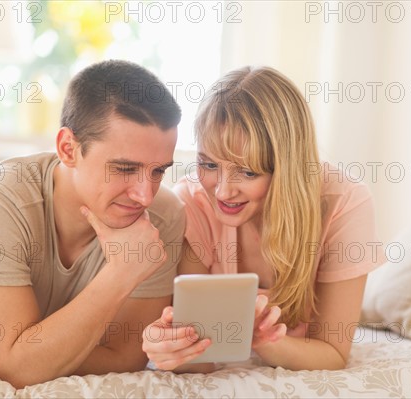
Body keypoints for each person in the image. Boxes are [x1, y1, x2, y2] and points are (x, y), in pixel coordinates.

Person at [0, 60, 185, 387]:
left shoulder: (162, 216)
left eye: (158, 171)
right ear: (68, 148)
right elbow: (18, 370)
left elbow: (125, 357)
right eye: (124, 169)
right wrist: (121, 272)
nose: (145, 195)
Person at [142, 66, 385, 371]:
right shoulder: (192, 202)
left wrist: (262, 340)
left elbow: (333, 353)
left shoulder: (344, 202)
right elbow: (198, 358)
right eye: (209, 164)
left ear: (287, 169)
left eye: (247, 171)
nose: (223, 191)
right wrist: (170, 350)